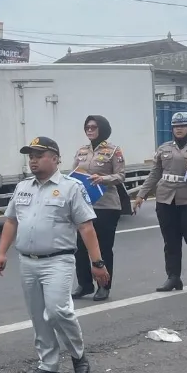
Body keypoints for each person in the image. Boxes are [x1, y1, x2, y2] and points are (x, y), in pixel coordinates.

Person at [0, 137, 109, 373]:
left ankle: (77, 353)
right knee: (38, 315)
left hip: (58, 260)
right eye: (30, 156)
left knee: (57, 311)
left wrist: (97, 264)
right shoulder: (23, 187)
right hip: (27, 261)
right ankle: (48, 365)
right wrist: (2, 252)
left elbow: (86, 227)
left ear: (55, 158)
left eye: (39, 155)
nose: (33, 160)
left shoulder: (71, 188)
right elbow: (12, 221)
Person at [133, 111, 187, 292]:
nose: (179, 129)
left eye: (182, 126)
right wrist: (141, 195)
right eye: (175, 126)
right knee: (171, 241)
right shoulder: (164, 148)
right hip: (166, 199)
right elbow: (155, 173)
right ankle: (173, 278)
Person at [71, 115, 126, 302]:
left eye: (93, 127)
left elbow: (121, 176)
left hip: (106, 205)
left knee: (103, 248)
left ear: (102, 129)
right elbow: (73, 175)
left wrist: (103, 179)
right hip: (84, 204)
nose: (89, 130)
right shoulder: (81, 151)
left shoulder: (113, 151)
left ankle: (103, 286)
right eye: (87, 127)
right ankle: (84, 284)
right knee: (80, 246)